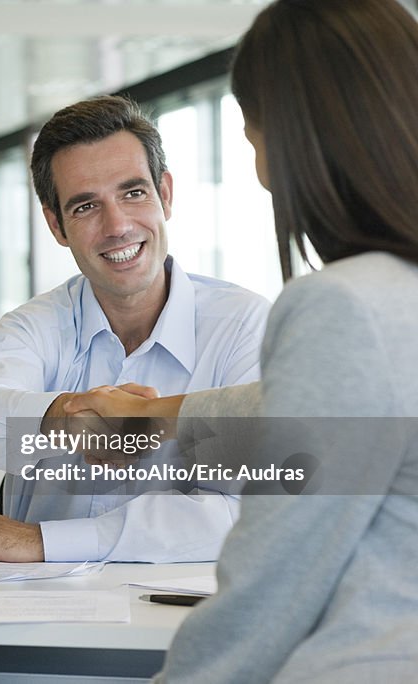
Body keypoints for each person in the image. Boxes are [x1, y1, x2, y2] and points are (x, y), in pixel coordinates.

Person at [76, 0, 418, 680]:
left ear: (294, 140)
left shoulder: (340, 304)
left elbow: (271, 589)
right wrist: (161, 417)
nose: (260, 168)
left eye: (253, 135)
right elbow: (351, 421)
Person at [0, 95, 270, 563]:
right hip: (34, 611)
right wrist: (67, 418)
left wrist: (48, 542)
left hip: (179, 615)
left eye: (133, 193)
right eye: (85, 207)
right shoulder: (37, 325)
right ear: (56, 225)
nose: (117, 226)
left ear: (166, 195)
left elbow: (249, 512)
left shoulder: (243, 326)